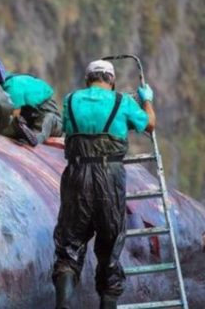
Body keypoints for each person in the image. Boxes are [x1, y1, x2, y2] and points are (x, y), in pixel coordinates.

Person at [52, 60, 156, 309]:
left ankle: (63, 304)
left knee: (69, 245)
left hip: (76, 175)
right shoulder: (123, 102)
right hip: (110, 177)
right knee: (110, 247)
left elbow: (69, 129)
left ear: (87, 79)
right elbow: (150, 124)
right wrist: (147, 100)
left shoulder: (71, 100)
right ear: (112, 80)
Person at [0, 58, 63, 145]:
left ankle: (33, 138)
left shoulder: (12, 86)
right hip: (28, 118)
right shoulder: (2, 86)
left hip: (50, 119)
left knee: (44, 122)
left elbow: (15, 118)